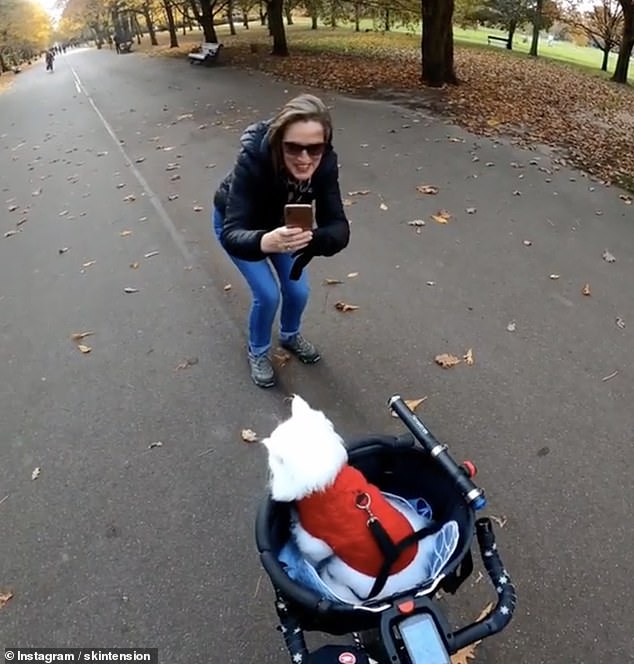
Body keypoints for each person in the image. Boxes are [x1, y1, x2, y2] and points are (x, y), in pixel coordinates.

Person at [212, 94, 350, 388]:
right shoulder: (252, 158)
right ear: (278, 142)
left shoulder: (325, 165)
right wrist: (265, 241)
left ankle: (289, 335)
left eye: (314, 149)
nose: (304, 159)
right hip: (241, 226)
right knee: (268, 294)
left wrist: (313, 238)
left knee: (298, 291)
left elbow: (338, 227)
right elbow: (232, 232)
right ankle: (258, 351)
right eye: (293, 148)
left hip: (283, 228)